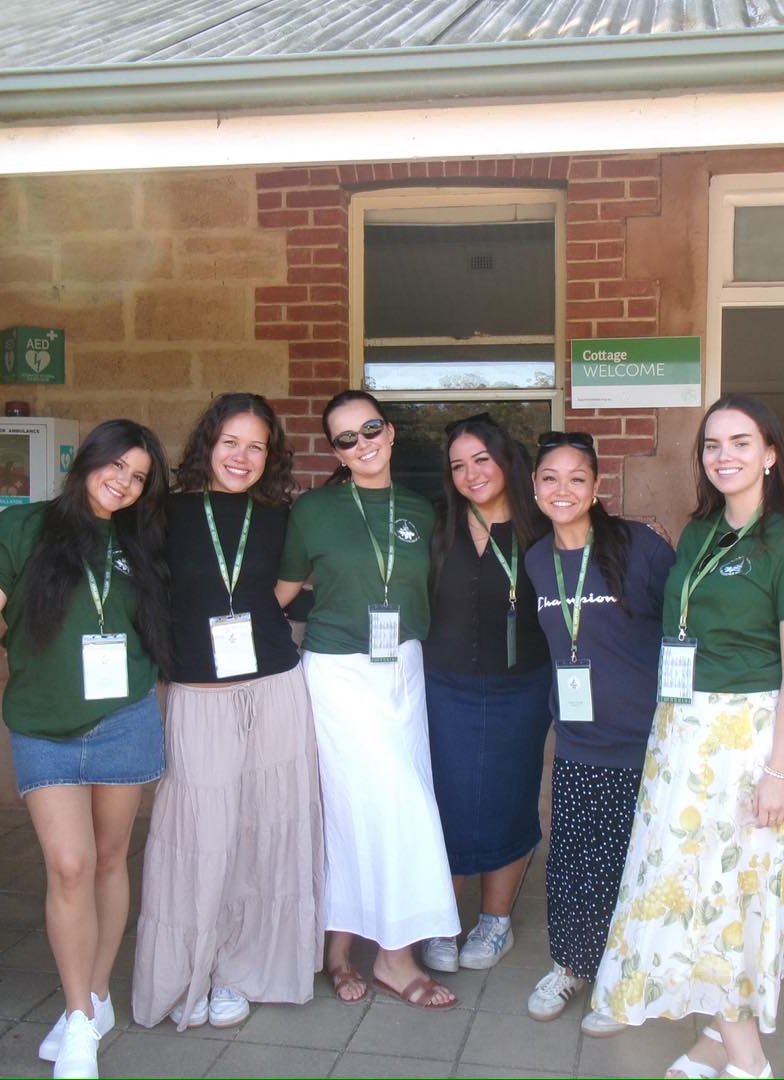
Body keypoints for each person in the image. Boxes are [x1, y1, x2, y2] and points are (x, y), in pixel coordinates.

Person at [0, 420, 171, 1080]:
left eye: (138, 476)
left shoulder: (139, 539)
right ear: (88, 459)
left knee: (110, 859)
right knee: (68, 865)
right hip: (43, 727)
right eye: (116, 465)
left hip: (125, 719)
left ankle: (95, 998)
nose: (123, 482)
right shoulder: (23, 526)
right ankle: (79, 1018)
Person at [590, 394, 784, 1080]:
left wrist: (778, 773)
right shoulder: (698, 533)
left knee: (730, 894)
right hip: (683, 731)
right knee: (690, 887)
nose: (724, 456)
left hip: (748, 737)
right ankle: (716, 1041)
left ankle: (749, 1059)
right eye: (712, 445)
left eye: (741, 442)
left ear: (771, 455)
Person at [130, 393, 323, 1032]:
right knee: (202, 832)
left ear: (271, 455)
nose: (242, 457)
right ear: (207, 444)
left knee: (268, 826)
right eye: (230, 442)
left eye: (256, 446)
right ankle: (197, 967)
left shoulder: (280, 517)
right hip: (200, 691)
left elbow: (285, 591)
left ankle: (244, 969)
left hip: (275, 683)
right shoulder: (163, 512)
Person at [275, 389, 460, 1009]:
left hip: (403, 668)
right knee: (385, 804)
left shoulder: (422, 510)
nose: (363, 445)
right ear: (335, 451)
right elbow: (279, 592)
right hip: (338, 673)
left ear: (390, 430)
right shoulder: (314, 511)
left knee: (374, 806)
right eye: (346, 439)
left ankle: (339, 950)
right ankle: (393, 957)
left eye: (371, 429)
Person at [521, 430, 675, 1035]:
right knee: (573, 864)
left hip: (646, 742)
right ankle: (571, 965)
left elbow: (683, 625)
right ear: (534, 486)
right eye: (550, 478)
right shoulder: (537, 561)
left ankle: (625, 977)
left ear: (596, 487)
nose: (562, 490)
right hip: (580, 741)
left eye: (576, 479)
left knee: (634, 867)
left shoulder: (640, 547)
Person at [420, 413, 552, 975]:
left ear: (506, 461)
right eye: (458, 465)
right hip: (443, 686)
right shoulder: (436, 524)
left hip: (522, 686)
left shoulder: (542, 526)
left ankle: (495, 921)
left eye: (481, 460)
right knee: (445, 799)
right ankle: (443, 919)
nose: (471, 474)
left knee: (509, 796)